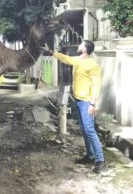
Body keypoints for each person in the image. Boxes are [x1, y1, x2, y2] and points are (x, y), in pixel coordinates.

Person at [42, 40, 106, 174]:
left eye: (81, 44)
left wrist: (93, 104)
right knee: (84, 130)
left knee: (89, 130)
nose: (78, 46)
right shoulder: (78, 60)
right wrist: (51, 52)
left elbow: (96, 85)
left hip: (87, 102)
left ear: (85, 49)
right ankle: (90, 156)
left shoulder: (92, 65)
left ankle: (100, 160)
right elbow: (66, 59)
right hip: (78, 100)